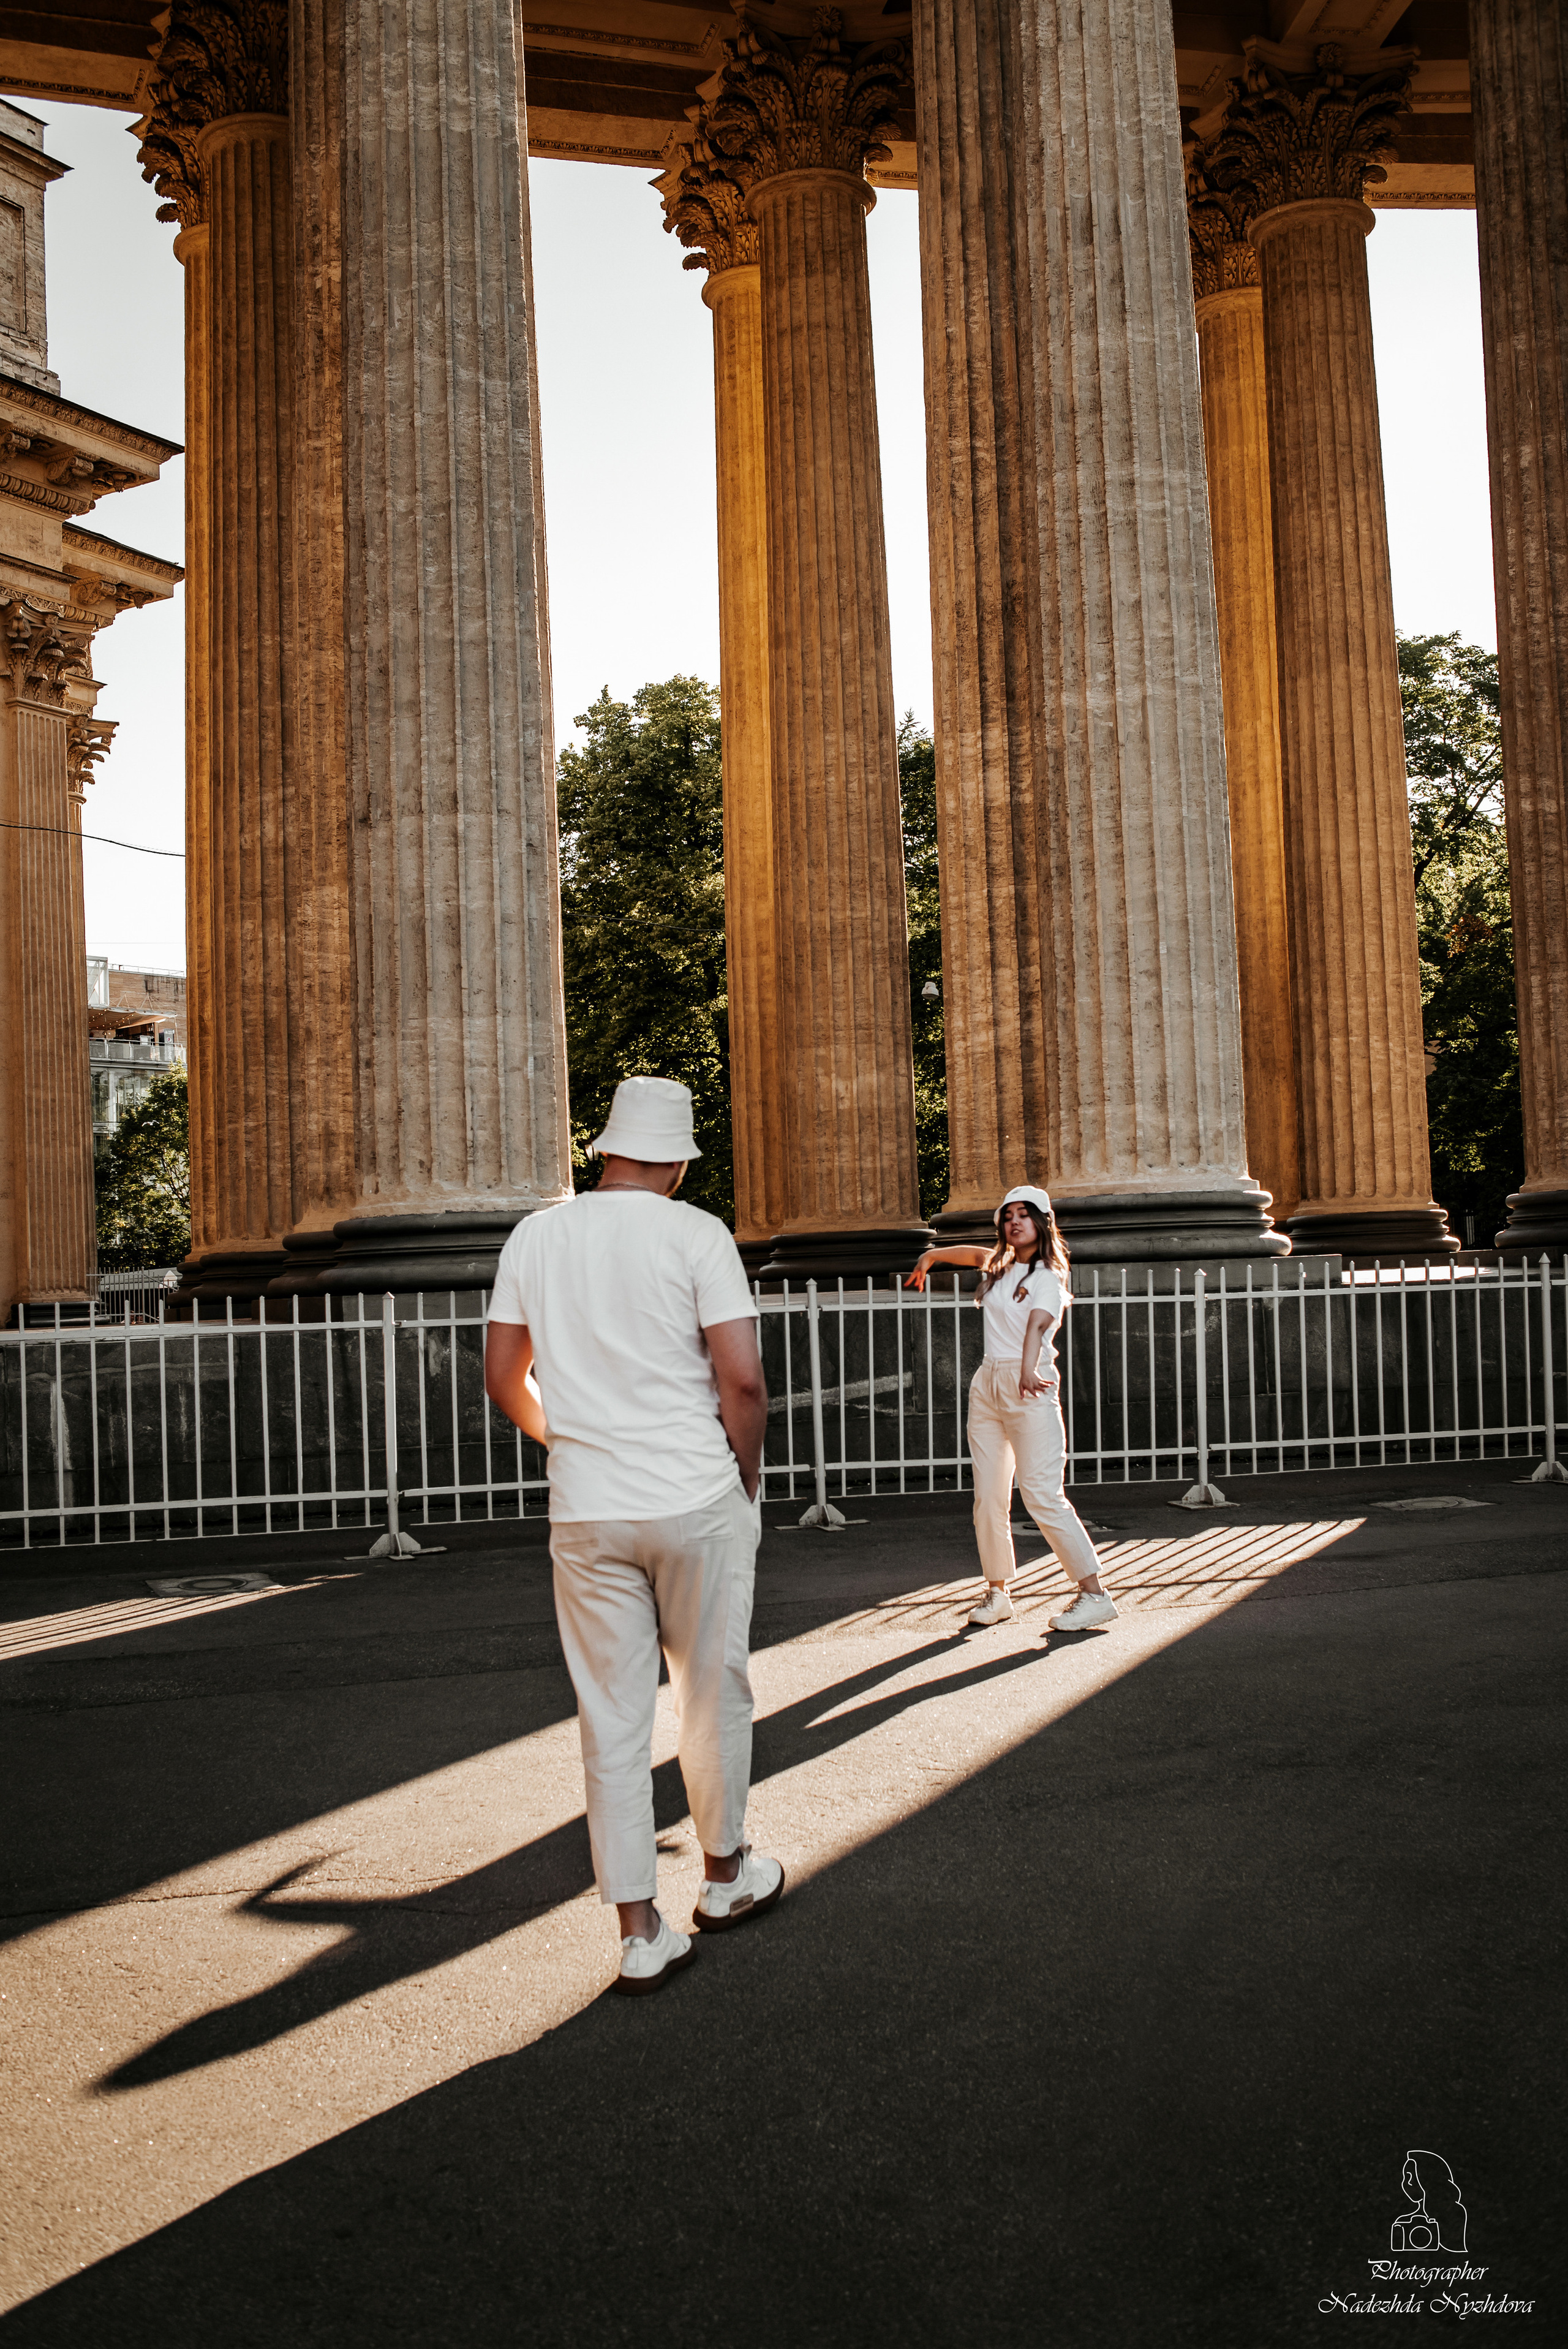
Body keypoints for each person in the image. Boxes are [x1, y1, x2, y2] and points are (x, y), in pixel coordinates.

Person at [484, 1075, 784, 1997]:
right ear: (681, 1161)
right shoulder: (695, 1234)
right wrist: (746, 1474)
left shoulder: (537, 1233)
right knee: (711, 1688)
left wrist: (570, 1440)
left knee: (610, 1714)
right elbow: (742, 1382)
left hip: (587, 1503)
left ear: (609, 1147)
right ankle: (727, 1875)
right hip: (693, 1491)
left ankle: (639, 1929)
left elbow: (503, 1377)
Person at [907, 1185, 1117, 1633]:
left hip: (1030, 1384)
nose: (1014, 1222)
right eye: (1008, 1216)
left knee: (1042, 1495)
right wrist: (931, 1258)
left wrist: (1026, 1368)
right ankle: (999, 1592)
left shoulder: (1047, 1276)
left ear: (1042, 1222)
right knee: (989, 1498)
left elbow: (1040, 1324)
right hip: (988, 1384)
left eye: (1024, 1215)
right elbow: (970, 1255)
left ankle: (1095, 1595)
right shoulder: (1001, 1266)